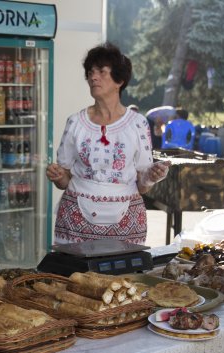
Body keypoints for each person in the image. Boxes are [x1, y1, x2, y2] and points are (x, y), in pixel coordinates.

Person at [46, 42, 169, 245]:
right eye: (90, 72)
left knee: (122, 276)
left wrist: (151, 177)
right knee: (73, 276)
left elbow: (142, 185)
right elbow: (65, 181)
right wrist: (58, 176)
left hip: (126, 222)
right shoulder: (75, 122)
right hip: (75, 220)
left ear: (119, 80)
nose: (93, 77)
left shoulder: (137, 124)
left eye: (102, 72)